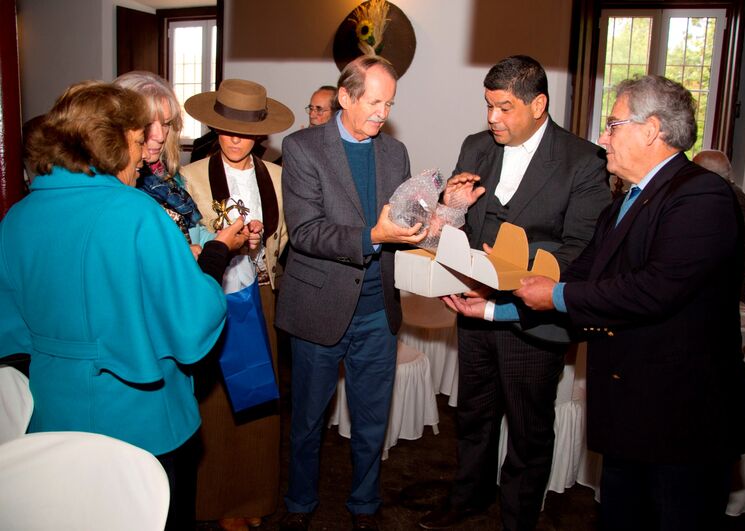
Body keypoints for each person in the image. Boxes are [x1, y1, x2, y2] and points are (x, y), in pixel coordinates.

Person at [494, 75, 745, 530]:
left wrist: (553, 293)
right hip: (628, 412)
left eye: (612, 125)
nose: (601, 138)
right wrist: (497, 308)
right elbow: (579, 278)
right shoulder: (623, 204)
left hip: (681, 421)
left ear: (651, 130)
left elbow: (654, 289)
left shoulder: (701, 195)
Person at [0, 82, 246, 530]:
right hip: (143, 423)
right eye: (137, 142)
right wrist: (213, 261)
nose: (142, 157)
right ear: (110, 145)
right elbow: (192, 326)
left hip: (53, 418)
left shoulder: (17, 217)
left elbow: (10, 333)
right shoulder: (135, 212)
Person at [418, 55, 610, 531]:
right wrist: (452, 207)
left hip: (532, 319)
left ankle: (518, 516)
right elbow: (457, 228)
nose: (492, 119)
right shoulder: (475, 146)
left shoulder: (583, 160)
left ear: (538, 104)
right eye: (488, 106)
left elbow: (580, 250)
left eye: (504, 108)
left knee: (528, 427)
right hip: (470, 307)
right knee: (473, 412)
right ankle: (469, 494)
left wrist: (507, 297)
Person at [275, 55, 426, 531]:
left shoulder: (394, 152)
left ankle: (365, 505)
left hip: (377, 311)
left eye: (390, 103)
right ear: (345, 97)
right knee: (307, 423)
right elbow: (306, 233)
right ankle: (299, 505)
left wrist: (437, 217)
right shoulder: (301, 148)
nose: (383, 112)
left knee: (371, 423)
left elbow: (401, 218)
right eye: (375, 101)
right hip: (319, 307)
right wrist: (374, 237)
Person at [181, 78, 294, 531]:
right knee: (217, 401)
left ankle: (255, 495)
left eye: (244, 130)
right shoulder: (188, 179)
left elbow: (282, 240)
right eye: (225, 127)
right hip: (213, 296)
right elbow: (185, 243)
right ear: (214, 126)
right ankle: (218, 499)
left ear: (260, 133)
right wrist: (225, 244)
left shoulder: (279, 177)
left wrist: (259, 242)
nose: (233, 138)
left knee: (260, 397)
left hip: (261, 295)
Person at [114, 71, 216, 254]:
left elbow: (194, 235)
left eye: (166, 124)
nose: (160, 136)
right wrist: (178, 256)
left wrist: (226, 239)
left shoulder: (169, 178)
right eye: (148, 124)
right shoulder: (115, 186)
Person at [694, 149, 745, 351]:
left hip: (741, 282)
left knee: (735, 343)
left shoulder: (732, 196)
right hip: (730, 278)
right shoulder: (721, 192)